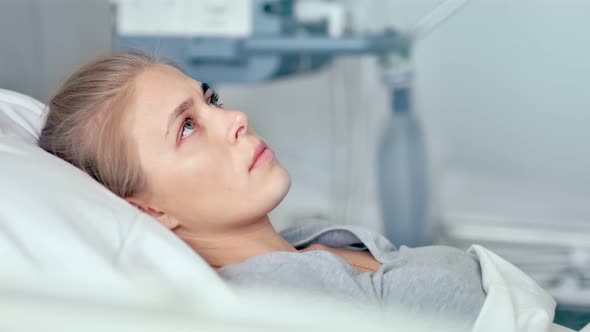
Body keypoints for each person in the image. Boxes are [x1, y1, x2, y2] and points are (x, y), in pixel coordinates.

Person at [38, 52, 485, 325]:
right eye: (187, 128)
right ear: (149, 210)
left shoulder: (306, 239)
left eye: (211, 100)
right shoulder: (273, 306)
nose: (236, 119)